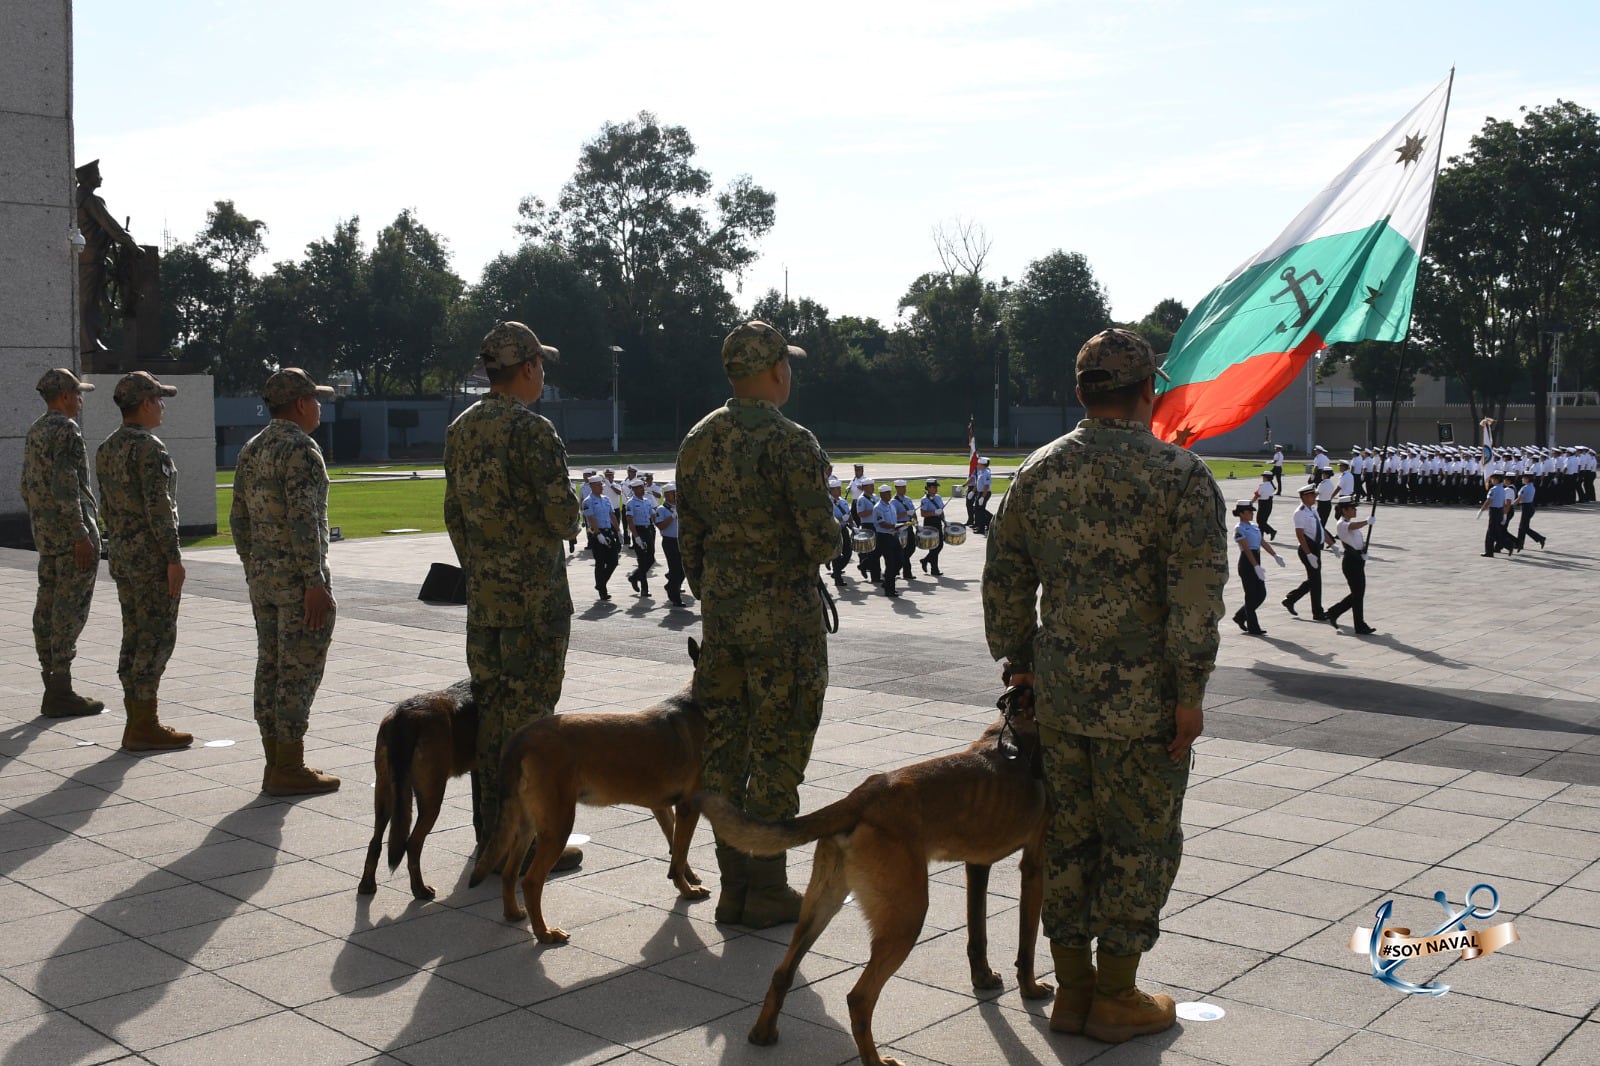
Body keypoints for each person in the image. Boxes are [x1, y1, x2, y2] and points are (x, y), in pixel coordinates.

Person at [983, 328, 1227, 1044]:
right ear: (1149, 389)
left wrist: (1019, 664)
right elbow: (1196, 597)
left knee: (1067, 839)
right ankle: (1116, 995)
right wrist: (1191, 693)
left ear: (1082, 390)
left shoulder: (1040, 470)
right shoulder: (1180, 476)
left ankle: (1073, 990)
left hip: (1060, 697)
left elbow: (1005, 577)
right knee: (1141, 842)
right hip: (1147, 704)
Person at [676, 320, 839, 929]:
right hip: (785, 630)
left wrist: (718, 591)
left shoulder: (698, 440)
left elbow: (688, 541)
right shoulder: (793, 442)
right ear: (775, 370)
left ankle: (734, 886)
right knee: (777, 752)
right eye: (788, 365)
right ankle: (767, 888)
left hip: (724, 625)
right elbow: (820, 542)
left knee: (723, 750)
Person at [444, 322, 584, 868]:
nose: (542, 375)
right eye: (541, 366)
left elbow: (454, 514)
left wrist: (482, 566)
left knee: (492, 717)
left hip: (487, 601)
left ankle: (492, 836)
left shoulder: (461, 429)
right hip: (535, 604)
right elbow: (564, 517)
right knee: (531, 723)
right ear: (527, 368)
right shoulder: (533, 431)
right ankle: (523, 845)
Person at [232, 368, 340, 796]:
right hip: (298, 582)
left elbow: (238, 518)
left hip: (264, 578)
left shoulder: (253, 447)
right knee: (299, 669)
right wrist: (314, 582)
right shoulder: (301, 448)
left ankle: (274, 761)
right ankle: (289, 766)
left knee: (271, 667)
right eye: (316, 400)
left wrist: (254, 565)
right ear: (300, 404)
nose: (319, 408)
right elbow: (304, 520)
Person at [95, 371, 192, 751]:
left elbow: (107, 505)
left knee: (134, 636)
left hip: (123, 554)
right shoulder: (150, 448)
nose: (163, 407)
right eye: (159, 400)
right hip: (151, 558)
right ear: (147, 403)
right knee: (156, 637)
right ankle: (144, 725)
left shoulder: (107, 447)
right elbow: (159, 508)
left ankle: (137, 720)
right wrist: (173, 557)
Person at [21, 368, 105, 718]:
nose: (81, 400)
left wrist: (46, 526)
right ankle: (61, 689)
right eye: (78, 394)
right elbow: (65, 486)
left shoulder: (36, 430)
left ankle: (51, 682)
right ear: (66, 396)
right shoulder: (66, 430)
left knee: (47, 609)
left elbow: (27, 487)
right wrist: (80, 534)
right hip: (71, 539)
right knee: (69, 612)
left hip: (47, 536)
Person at [1230, 501, 1282, 636]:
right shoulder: (1239, 528)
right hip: (1247, 563)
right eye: (1249, 512)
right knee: (1251, 594)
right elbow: (1246, 549)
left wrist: (1275, 555)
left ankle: (1240, 616)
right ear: (1241, 513)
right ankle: (1253, 627)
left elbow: (1262, 542)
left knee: (1261, 594)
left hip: (1256, 560)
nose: (1252, 514)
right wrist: (1255, 566)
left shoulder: (1254, 526)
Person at [1283, 483, 1333, 621]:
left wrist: (1332, 544)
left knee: (1314, 580)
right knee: (1316, 581)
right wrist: (1309, 554)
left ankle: (1291, 599)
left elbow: (1320, 529)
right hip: (1308, 548)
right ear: (1305, 496)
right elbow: (1300, 534)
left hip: (1316, 548)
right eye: (1312, 495)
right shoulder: (1299, 513)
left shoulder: (1313, 510)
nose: (1315, 498)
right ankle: (1317, 612)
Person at [1326, 497, 1376, 634]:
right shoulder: (1341, 523)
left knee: (1358, 594)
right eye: (1352, 508)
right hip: (1351, 562)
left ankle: (1335, 613)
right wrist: (1367, 522)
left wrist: (1364, 550)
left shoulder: (1349, 523)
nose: (1355, 510)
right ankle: (1357, 623)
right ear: (1344, 510)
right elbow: (1352, 527)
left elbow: (1357, 540)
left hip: (1358, 559)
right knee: (1357, 594)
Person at [583, 474, 621, 598]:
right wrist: (598, 534)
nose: (601, 487)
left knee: (613, 561)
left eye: (601, 485)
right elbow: (591, 518)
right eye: (599, 485)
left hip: (609, 531)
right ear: (592, 486)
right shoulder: (588, 501)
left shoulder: (606, 499)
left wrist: (618, 531)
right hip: (596, 533)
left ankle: (600, 583)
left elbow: (612, 515)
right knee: (600, 562)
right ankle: (602, 591)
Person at [654, 483, 687, 606]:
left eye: (676, 492)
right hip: (670, 542)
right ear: (666, 495)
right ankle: (675, 597)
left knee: (684, 569)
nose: (675, 495)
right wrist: (672, 517)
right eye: (672, 493)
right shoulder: (661, 509)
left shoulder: (680, 507)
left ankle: (670, 586)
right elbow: (660, 525)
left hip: (681, 541)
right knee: (675, 570)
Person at [625, 478, 656, 597]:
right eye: (639, 488)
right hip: (638, 531)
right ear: (634, 490)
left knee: (651, 559)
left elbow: (652, 515)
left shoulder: (647, 501)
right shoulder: (631, 503)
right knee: (642, 560)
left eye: (642, 487)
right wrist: (636, 537)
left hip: (648, 530)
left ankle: (634, 577)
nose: (642, 490)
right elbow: (630, 521)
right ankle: (644, 589)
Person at [871, 483, 903, 598]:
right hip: (884, 537)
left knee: (900, 560)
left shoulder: (891, 506)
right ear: (882, 494)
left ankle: (887, 581)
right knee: (890, 564)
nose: (890, 495)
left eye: (890, 492)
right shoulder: (878, 507)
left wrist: (899, 526)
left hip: (893, 536)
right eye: (887, 493)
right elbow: (882, 523)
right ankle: (890, 589)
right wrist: (894, 526)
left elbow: (894, 520)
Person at [1476, 473, 1518, 557]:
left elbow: (1488, 501)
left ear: (1497, 479)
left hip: (1494, 511)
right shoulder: (1502, 489)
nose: (1491, 480)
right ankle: (1491, 551)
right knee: (1494, 532)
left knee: (1492, 533)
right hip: (1499, 511)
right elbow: (1503, 502)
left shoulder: (1494, 489)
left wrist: (1481, 510)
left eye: (1493, 479)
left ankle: (1507, 545)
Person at [826, 477, 853, 587]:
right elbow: (828, 518)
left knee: (848, 552)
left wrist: (853, 525)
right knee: (837, 554)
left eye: (839, 488)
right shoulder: (828, 503)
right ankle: (837, 577)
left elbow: (849, 515)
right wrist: (841, 519)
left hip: (844, 528)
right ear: (831, 490)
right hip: (835, 530)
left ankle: (836, 570)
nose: (839, 490)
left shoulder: (843, 501)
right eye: (837, 489)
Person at [919, 478, 946, 576]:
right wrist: (934, 512)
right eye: (934, 487)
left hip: (938, 522)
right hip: (930, 523)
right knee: (933, 547)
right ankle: (934, 569)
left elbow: (941, 510)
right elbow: (923, 513)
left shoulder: (938, 497)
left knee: (940, 545)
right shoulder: (924, 500)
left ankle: (926, 560)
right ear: (929, 488)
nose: (936, 489)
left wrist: (944, 520)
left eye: (936, 487)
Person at [854, 481, 880, 583]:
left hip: (876, 525)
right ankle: (875, 576)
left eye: (873, 486)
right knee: (873, 550)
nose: (873, 488)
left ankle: (864, 565)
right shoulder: (862, 499)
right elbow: (860, 513)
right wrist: (873, 510)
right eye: (870, 486)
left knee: (877, 550)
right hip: (868, 525)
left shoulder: (875, 497)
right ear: (864, 487)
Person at [891, 479, 917, 580]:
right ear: (897, 488)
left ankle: (899, 568)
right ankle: (906, 571)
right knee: (903, 550)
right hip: (901, 527)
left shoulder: (908, 499)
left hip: (909, 525)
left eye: (905, 487)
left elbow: (913, 512)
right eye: (902, 487)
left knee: (911, 548)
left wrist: (916, 522)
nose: (904, 489)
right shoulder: (893, 502)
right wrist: (906, 513)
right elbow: (893, 516)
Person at [1514, 472, 1546, 551]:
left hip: (1526, 507)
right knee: (1524, 527)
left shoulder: (1525, 488)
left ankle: (1539, 538)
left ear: (1527, 479)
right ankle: (1520, 544)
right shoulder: (1532, 486)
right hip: (1529, 506)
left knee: (1523, 527)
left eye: (1523, 478)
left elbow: (1519, 499)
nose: (1522, 479)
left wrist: (1511, 505)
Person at [1251, 469, 1277, 540]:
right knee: (1262, 521)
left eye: (1263, 477)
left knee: (1260, 521)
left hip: (1263, 504)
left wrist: (1251, 502)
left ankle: (1271, 531)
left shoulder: (1263, 486)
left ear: (1266, 478)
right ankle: (1261, 537)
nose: (1262, 478)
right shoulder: (1271, 486)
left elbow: (1257, 495)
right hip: (1269, 504)